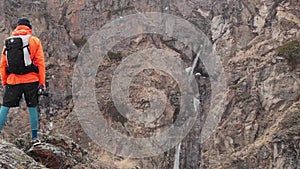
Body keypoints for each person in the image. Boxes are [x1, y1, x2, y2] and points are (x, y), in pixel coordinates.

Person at [0, 17, 46, 140]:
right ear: (29, 28)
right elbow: (40, 63)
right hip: (31, 80)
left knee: (5, 107)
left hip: (13, 80)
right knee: (32, 107)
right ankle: (34, 137)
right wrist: (42, 82)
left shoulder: (8, 42)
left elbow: (3, 64)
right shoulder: (35, 41)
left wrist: (5, 81)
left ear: (17, 27)